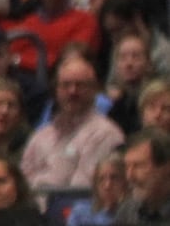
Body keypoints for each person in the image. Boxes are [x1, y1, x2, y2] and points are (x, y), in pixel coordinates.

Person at [20, 53, 124, 188]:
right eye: (65, 85)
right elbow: (21, 183)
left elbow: (80, 186)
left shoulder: (105, 134)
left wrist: (39, 181)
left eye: (80, 85)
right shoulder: (42, 135)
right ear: (56, 90)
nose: (72, 91)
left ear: (94, 89)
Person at [119, 128, 170, 223]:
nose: (129, 176)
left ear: (166, 169)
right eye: (126, 167)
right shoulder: (128, 210)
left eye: (138, 166)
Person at [64, 152, 127, 225]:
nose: (107, 185)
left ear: (125, 181)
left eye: (114, 178)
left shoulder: (134, 213)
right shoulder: (81, 210)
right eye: (101, 179)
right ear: (95, 184)